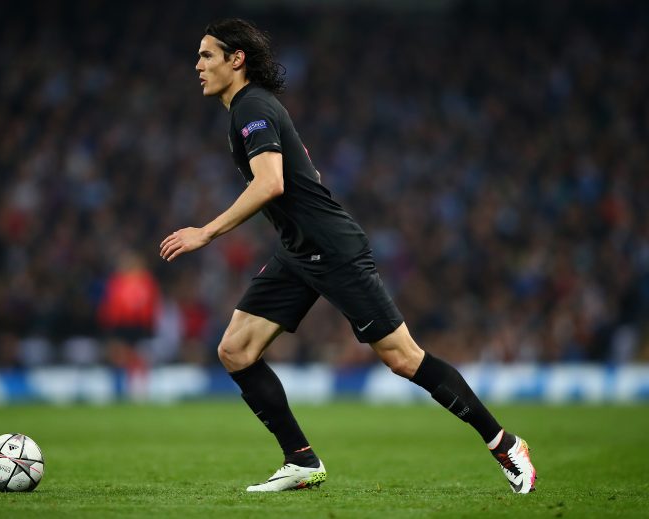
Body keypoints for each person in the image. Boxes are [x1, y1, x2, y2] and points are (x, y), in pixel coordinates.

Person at [160, 18, 536, 494]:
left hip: (332, 249)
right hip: (300, 250)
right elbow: (300, 174)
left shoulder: (252, 106)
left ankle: (505, 444)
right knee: (235, 350)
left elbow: (271, 182)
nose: (197, 65)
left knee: (403, 359)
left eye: (207, 55)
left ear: (237, 60)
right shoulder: (249, 109)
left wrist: (206, 232)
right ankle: (300, 460)